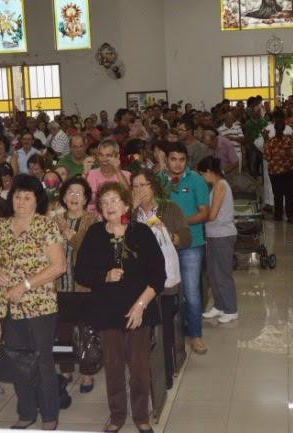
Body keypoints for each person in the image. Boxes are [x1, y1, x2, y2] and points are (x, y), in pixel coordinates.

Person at [74, 182, 165, 433]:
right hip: (107, 312)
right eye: (104, 202)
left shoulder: (141, 232)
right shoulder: (95, 234)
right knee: (113, 367)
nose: (109, 206)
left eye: (114, 200)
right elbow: (80, 273)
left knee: (139, 368)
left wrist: (140, 306)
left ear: (126, 205)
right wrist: (104, 276)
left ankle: (141, 415)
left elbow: (158, 276)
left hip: (139, 309)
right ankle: (117, 414)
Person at [0, 174, 67, 430]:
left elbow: (59, 266)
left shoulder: (46, 226)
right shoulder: (2, 227)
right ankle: (26, 411)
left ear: (36, 200)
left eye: (27, 197)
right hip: (8, 304)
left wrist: (25, 286)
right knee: (17, 360)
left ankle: (49, 415)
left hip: (39, 304)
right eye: (17, 196)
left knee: (42, 360)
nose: (21, 202)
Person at [131, 169, 190, 389]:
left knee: (164, 326)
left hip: (164, 279)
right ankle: (142, 373)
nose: (139, 190)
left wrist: (171, 236)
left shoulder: (169, 208)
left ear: (153, 186)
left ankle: (166, 374)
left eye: (143, 185)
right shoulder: (131, 213)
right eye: (135, 186)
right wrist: (131, 210)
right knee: (142, 329)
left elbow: (186, 236)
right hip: (138, 280)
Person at [160, 143, 210, 355]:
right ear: (166, 160)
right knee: (168, 290)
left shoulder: (197, 180)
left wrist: (180, 224)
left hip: (192, 244)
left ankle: (196, 336)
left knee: (191, 291)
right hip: (164, 244)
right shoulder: (159, 181)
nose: (177, 164)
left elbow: (204, 213)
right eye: (173, 159)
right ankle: (172, 333)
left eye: (181, 159)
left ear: (186, 161)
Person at [53, 176, 99, 392]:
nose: (74, 196)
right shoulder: (54, 220)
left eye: (79, 193)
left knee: (85, 330)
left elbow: (85, 245)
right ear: (63, 197)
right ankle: (65, 370)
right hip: (59, 285)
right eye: (69, 192)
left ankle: (87, 373)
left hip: (84, 286)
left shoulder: (92, 220)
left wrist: (65, 230)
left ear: (86, 199)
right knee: (63, 330)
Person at [197, 157, 238, 323]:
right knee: (213, 273)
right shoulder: (215, 186)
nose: (202, 178)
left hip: (223, 235)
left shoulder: (221, 185)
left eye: (202, 174)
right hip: (214, 235)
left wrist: (196, 217)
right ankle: (219, 305)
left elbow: (212, 214)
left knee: (222, 273)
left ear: (208, 172)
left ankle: (231, 309)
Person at [263, 115, 293, 222]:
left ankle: (280, 216)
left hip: (277, 172)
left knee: (280, 195)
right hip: (285, 171)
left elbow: (267, 156)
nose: (279, 130)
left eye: (280, 128)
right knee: (287, 195)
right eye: (279, 128)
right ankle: (288, 216)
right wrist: (286, 154)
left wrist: (279, 155)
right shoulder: (288, 140)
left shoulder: (271, 142)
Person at [86, 140, 131, 210]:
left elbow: (129, 198)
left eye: (108, 155)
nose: (104, 159)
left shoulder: (127, 175)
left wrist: (118, 171)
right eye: (101, 155)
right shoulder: (90, 174)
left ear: (117, 156)